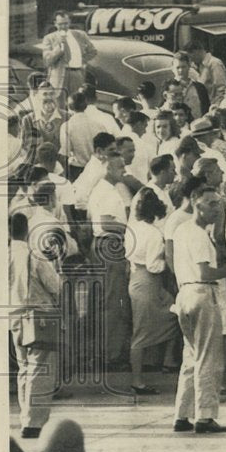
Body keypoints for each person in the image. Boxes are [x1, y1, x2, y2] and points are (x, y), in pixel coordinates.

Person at [170, 186, 226, 434]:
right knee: (209, 357)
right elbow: (205, 272)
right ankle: (204, 415)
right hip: (202, 292)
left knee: (191, 356)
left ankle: (182, 414)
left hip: (184, 294)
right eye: (210, 203)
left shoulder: (181, 231)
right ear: (195, 203)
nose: (216, 208)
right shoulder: (199, 234)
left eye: (218, 203)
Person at [9, 212, 60, 439]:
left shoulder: (3, 255)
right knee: (41, 368)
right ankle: (34, 422)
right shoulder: (34, 256)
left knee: (23, 367)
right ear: (26, 229)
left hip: (13, 315)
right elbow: (55, 286)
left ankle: (25, 416)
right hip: (38, 315)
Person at [126, 188, 180, 395]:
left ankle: (166, 359)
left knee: (173, 313)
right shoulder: (154, 234)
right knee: (141, 333)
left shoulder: (132, 228)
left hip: (136, 279)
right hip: (149, 281)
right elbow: (153, 266)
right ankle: (137, 380)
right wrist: (167, 261)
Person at [87, 153, 132, 368]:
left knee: (110, 301)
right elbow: (106, 223)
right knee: (112, 302)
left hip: (106, 246)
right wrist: (133, 230)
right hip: (109, 245)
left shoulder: (105, 189)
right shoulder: (105, 191)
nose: (124, 170)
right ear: (109, 169)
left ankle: (106, 353)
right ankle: (109, 356)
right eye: (120, 166)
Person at [41, 10, 97, 100]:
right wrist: (59, 48)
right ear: (55, 23)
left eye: (66, 23)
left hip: (77, 74)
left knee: (77, 101)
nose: (63, 27)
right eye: (60, 24)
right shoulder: (49, 38)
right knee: (59, 104)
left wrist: (81, 60)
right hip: (59, 76)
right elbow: (47, 60)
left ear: (70, 22)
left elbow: (93, 51)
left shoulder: (80, 35)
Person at [58, 91, 101, 181]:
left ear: (69, 107)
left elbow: (65, 152)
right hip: (96, 169)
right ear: (85, 105)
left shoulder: (67, 126)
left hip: (76, 171)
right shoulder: (99, 125)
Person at [166, 52, 210, 117]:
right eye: (177, 67)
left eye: (183, 67)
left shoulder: (200, 88)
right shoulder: (168, 87)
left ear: (189, 67)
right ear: (172, 69)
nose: (180, 70)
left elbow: (206, 110)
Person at [185, 40, 226, 106]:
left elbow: (221, 88)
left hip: (214, 105)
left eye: (191, 56)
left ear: (198, 51)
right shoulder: (199, 65)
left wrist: (216, 106)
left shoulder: (214, 64)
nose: (191, 60)